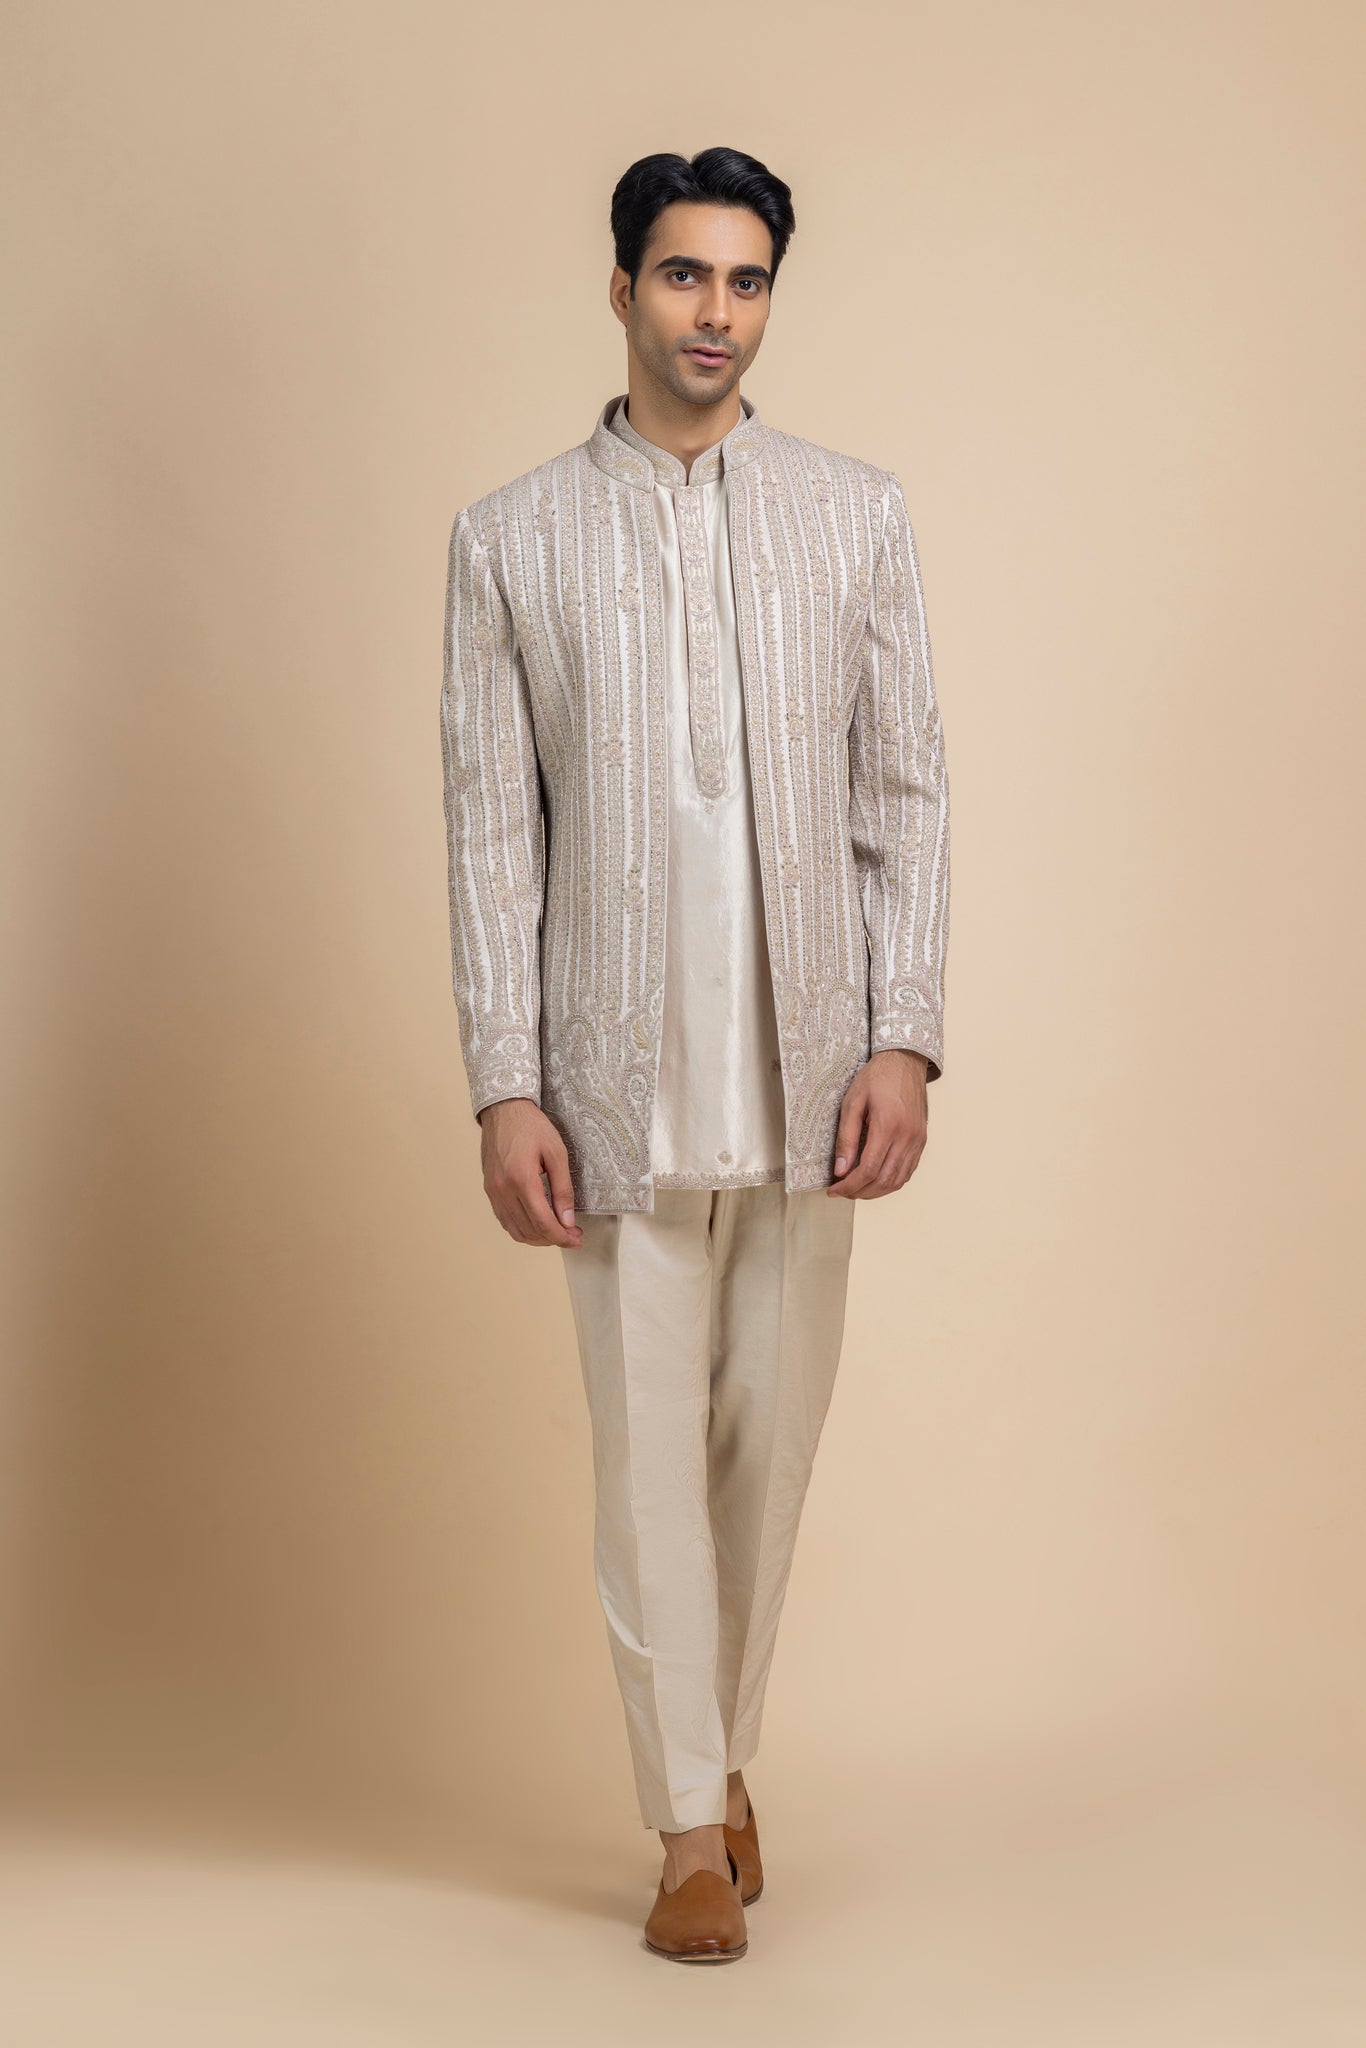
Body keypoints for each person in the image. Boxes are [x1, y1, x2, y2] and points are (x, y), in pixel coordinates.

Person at [440, 146, 950, 1963]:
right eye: (681, 275)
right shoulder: (509, 539)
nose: (713, 313)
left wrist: (903, 1039)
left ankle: (719, 1754)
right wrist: (506, 1078)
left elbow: (904, 791)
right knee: (645, 1458)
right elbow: (490, 831)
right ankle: (683, 1832)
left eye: (743, 280)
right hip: (607, 1085)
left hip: (811, 1078)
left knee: (765, 1454)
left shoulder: (855, 514)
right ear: (620, 289)